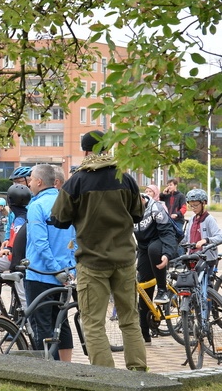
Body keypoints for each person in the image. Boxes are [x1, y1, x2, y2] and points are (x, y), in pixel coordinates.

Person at [51, 130, 148, 370]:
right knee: (129, 320)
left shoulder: (77, 181)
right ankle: (138, 373)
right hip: (125, 259)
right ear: (107, 148)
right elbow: (138, 214)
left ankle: (107, 378)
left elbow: (59, 218)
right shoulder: (125, 178)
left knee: (93, 323)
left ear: (85, 151)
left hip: (92, 261)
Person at [24, 165, 76, 362]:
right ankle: (66, 368)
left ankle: (47, 372)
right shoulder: (69, 203)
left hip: (40, 274)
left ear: (39, 182)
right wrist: (71, 269)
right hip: (65, 275)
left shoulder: (37, 206)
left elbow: (40, 243)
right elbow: (77, 239)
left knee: (42, 325)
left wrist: (55, 270)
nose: (29, 183)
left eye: (30, 179)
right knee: (61, 324)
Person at [134, 190, 177, 343]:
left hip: (160, 241)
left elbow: (167, 233)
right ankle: (144, 331)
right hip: (143, 246)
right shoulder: (127, 208)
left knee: (154, 249)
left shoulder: (155, 208)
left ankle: (163, 290)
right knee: (144, 286)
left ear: (141, 199)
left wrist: (167, 254)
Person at [180, 188, 222, 262]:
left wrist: (206, 240)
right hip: (192, 257)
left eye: (195, 205)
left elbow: (219, 237)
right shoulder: (192, 219)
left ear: (204, 203)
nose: (193, 208)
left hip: (207, 259)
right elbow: (186, 237)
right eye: (191, 206)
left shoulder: (209, 219)